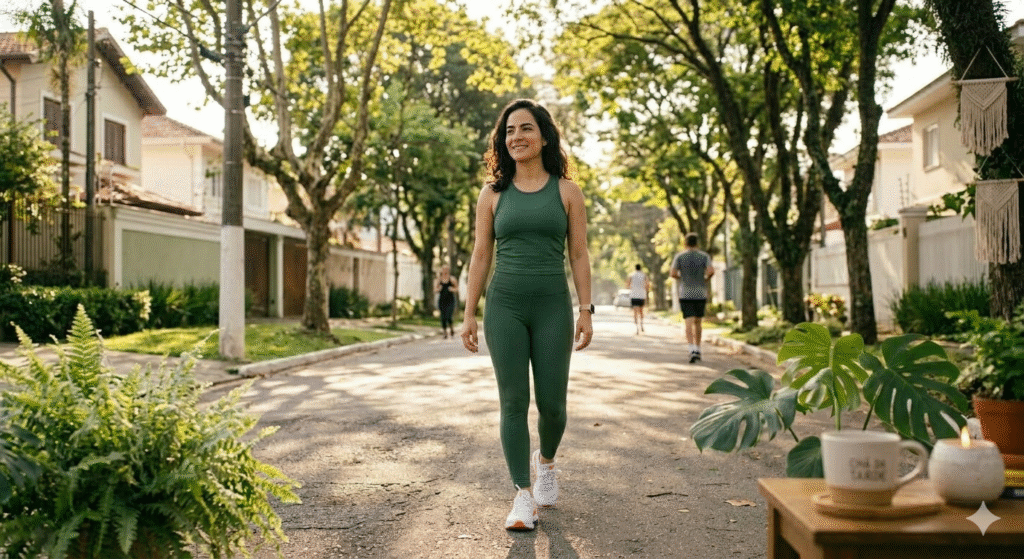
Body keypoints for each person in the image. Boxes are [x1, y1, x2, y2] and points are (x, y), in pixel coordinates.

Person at [460, 99, 593, 531]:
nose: (516, 136)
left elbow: (579, 253)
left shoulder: (567, 191)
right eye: (509, 130)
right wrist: (468, 314)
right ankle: (522, 494)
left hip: (553, 305)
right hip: (505, 306)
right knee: (514, 402)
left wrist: (585, 309)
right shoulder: (492, 194)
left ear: (544, 136)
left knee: (553, 405)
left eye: (526, 129)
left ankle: (547, 464)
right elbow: (481, 255)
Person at [671, 233, 714, 363]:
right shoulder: (704, 256)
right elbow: (711, 271)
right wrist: (705, 279)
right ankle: (698, 348)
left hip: (686, 293)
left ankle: (691, 350)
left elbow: (672, 273)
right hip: (700, 293)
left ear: (685, 243)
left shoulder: (679, 256)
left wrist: (682, 278)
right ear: (697, 243)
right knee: (698, 322)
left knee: (688, 322)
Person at [626, 263, 651, 334]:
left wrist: (632, 288)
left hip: (634, 295)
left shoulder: (631, 275)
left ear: (635, 268)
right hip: (642, 295)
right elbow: (648, 285)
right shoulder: (644, 275)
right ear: (640, 268)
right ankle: (642, 325)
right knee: (641, 311)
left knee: (635, 311)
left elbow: (627, 285)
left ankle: (637, 328)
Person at [435, 264, 458, 338]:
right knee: (443, 317)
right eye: (444, 269)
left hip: (450, 301)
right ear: (442, 270)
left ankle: (451, 329)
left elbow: (457, 289)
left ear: (448, 270)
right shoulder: (439, 279)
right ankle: (445, 333)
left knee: (449, 316)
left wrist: (452, 289)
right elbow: (435, 289)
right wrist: (439, 289)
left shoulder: (452, 279)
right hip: (442, 301)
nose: (445, 271)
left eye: (446, 269)